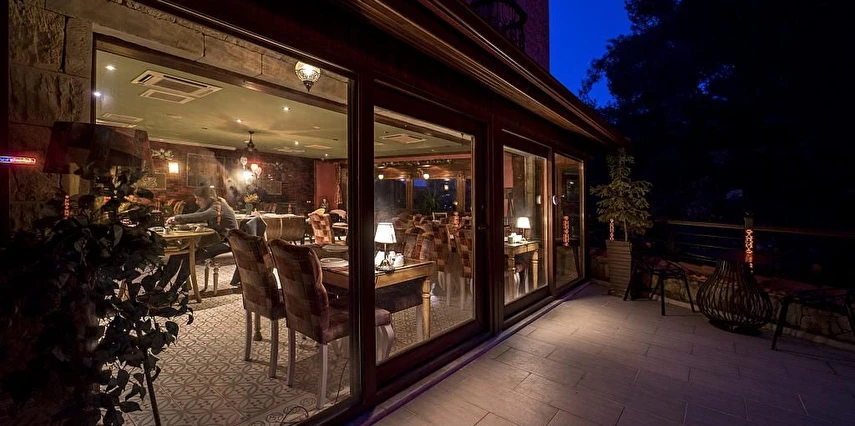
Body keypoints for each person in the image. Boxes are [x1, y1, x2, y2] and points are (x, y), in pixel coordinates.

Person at [164, 186, 239, 288]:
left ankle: (174, 289)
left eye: (199, 199)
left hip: (228, 243)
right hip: (218, 240)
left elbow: (202, 215)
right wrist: (177, 221)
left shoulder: (217, 206)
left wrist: (177, 218)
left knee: (191, 256)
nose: (196, 202)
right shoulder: (211, 204)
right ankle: (162, 287)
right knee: (180, 253)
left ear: (209, 199)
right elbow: (195, 216)